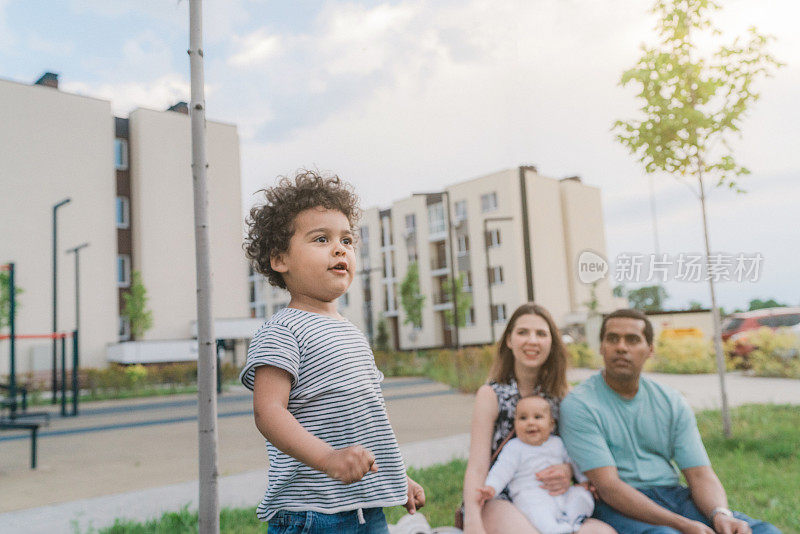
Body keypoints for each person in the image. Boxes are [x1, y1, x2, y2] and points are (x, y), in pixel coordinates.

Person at [238, 170, 425, 533]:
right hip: (311, 512)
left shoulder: (352, 333)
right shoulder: (282, 330)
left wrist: (397, 478)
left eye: (347, 240)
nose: (340, 249)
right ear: (280, 259)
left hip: (366, 508)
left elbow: (368, 419)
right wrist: (328, 459)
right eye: (321, 239)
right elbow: (268, 411)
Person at [559, 308, 782, 534]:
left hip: (675, 496)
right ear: (602, 347)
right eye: (612, 339)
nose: (621, 347)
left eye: (633, 340)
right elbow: (609, 487)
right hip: (616, 505)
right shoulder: (580, 404)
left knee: (763, 531)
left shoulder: (671, 401)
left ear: (650, 350)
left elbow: (699, 473)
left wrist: (720, 514)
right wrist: (681, 525)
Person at [462, 302, 615, 534]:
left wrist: (567, 470)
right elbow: (477, 466)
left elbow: (578, 455)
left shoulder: (564, 395)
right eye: (523, 332)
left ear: (551, 343)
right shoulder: (492, 394)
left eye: (541, 334)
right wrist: (472, 520)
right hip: (500, 498)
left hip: (555, 498)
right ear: (509, 340)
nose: (532, 340)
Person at [477, 395, 594, 534]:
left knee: (582, 495)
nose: (530, 422)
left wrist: (584, 480)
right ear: (515, 424)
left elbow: (573, 463)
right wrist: (491, 487)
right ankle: (553, 530)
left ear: (551, 425)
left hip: (560, 494)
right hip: (530, 494)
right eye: (523, 418)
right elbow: (502, 470)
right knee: (537, 510)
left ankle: (573, 519)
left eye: (537, 417)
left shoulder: (557, 443)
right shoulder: (514, 447)